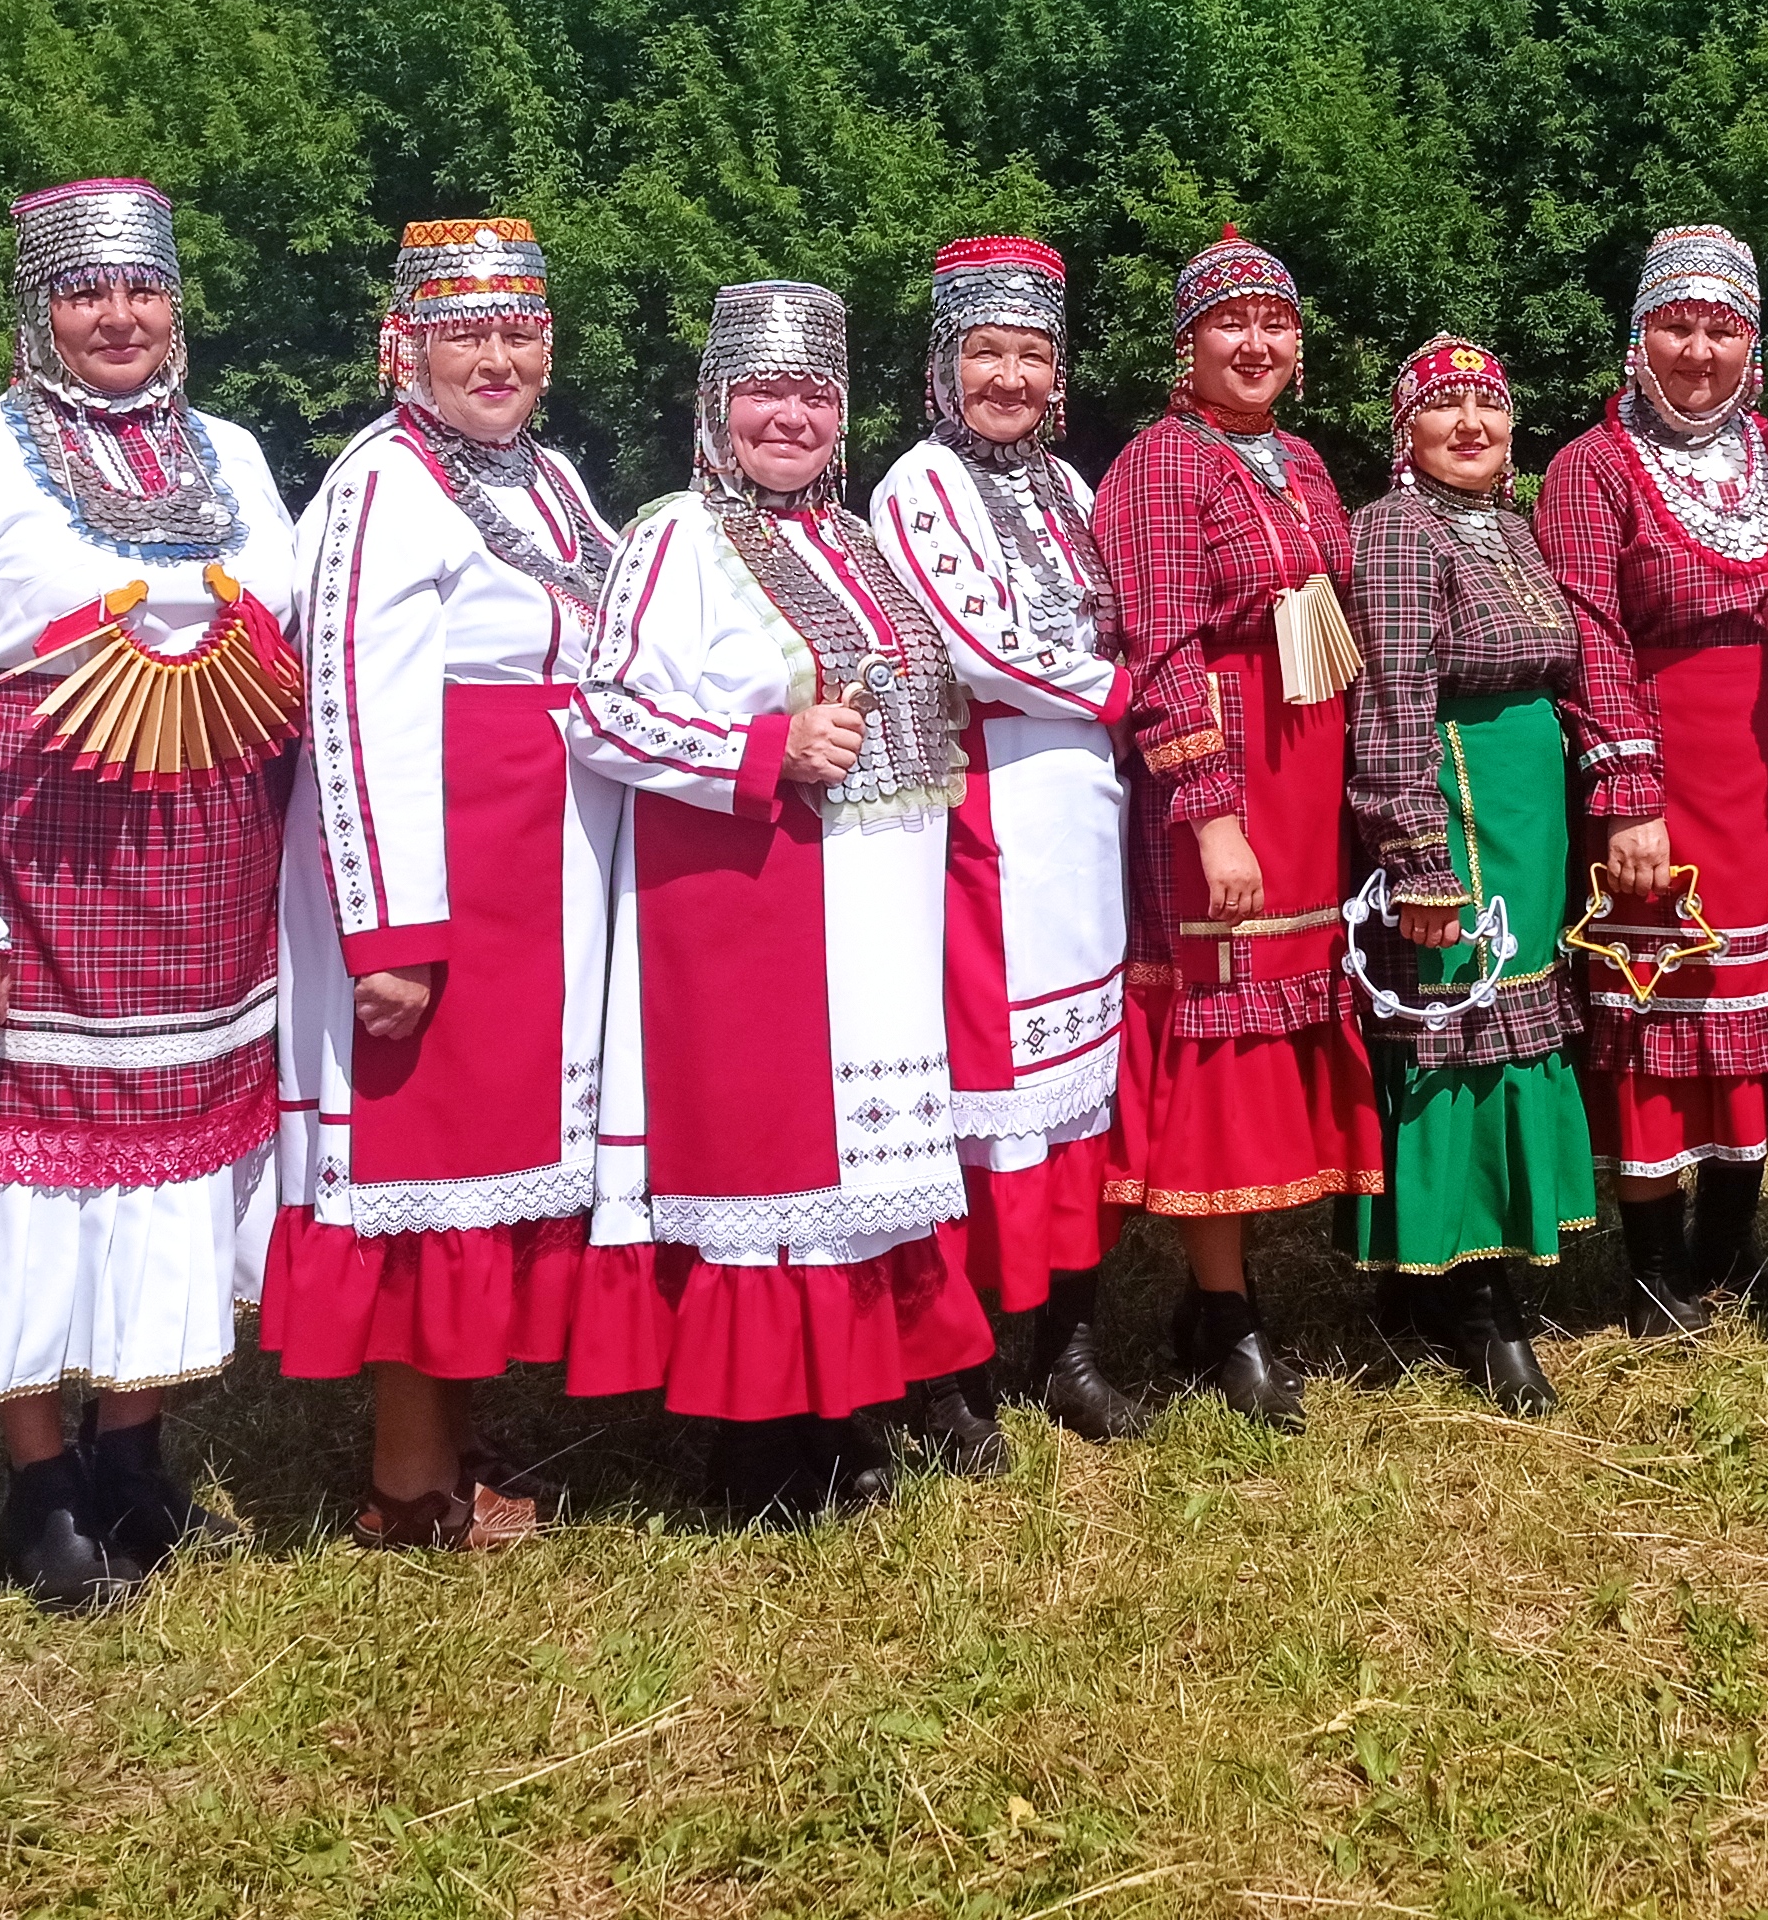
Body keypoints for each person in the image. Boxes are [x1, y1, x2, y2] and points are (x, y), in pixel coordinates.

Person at [0, 179, 301, 1607]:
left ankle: (138, 1458)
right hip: (44, 858)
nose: (118, 318)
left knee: (177, 1170)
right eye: (84, 293)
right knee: (29, 1171)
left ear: (176, 302)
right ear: (38, 309)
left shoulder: (234, 454)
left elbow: (289, 654)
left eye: (141, 290)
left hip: (213, 865)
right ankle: (39, 1483)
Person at [577, 281, 991, 1523]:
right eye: (765, 391)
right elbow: (604, 706)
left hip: (874, 906)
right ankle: (758, 1447)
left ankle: (847, 1408)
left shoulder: (855, 538)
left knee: (862, 1168)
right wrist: (760, 749)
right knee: (772, 1175)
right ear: (714, 404)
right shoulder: (673, 538)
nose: (791, 417)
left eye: (815, 394)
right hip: (749, 896)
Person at [268, 219, 637, 1548]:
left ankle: (456, 1445)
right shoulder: (383, 486)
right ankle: (410, 1489)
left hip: (542, 865)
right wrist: (391, 931)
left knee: (495, 1162)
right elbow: (354, 712)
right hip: (447, 869)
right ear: (403, 346)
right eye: (465, 332)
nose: (497, 356)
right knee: (429, 1167)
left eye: (520, 330)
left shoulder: (544, 479)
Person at [1093, 229, 1385, 1427]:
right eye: (1230, 324)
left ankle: (1227, 1292)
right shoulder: (1162, 464)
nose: (1254, 344)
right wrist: (1211, 817)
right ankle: (1224, 1306)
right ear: (1187, 345)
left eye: (1274, 325)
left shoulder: (1303, 464)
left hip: (1307, 780)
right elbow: (1159, 647)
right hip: (1223, 780)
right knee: (1219, 1037)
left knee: (1279, 1031)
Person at [869, 235, 1148, 1455]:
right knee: (989, 1092)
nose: (1011, 377)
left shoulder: (1073, 491)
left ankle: (1068, 1346)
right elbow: (980, 650)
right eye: (986, 351)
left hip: (1082, 814)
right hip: (983, 813)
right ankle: (956, 1369)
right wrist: (1129, 689)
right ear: (942, 367)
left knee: (1079, 1085)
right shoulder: (914, 485)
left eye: (1033, 354)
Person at [1536, 225, 1768, 1331]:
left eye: (1722, 327)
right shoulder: (1588, 467)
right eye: (1675, 325)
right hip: (1660, 760)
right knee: (1653, 994)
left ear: (1753, 344)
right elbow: (1589, 630)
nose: (1697, 350)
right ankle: (1653, 1267)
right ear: (1636, 337)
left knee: (1754, 1001)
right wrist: (1628, 792)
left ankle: (1732, 1242)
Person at [1341, 335, 1603, 1411]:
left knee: (1514, 1016)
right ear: (1405, 432)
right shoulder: (1398, 531)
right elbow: (1394, 695)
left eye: (1487, 409)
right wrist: (1414, 851)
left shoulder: (1509, 525)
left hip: (1526, 799)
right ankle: (1472, 1295)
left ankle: (1462, 1271)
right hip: (1459, 792)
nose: (1470, 426)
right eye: (1442, 409)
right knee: (1456, 1017)